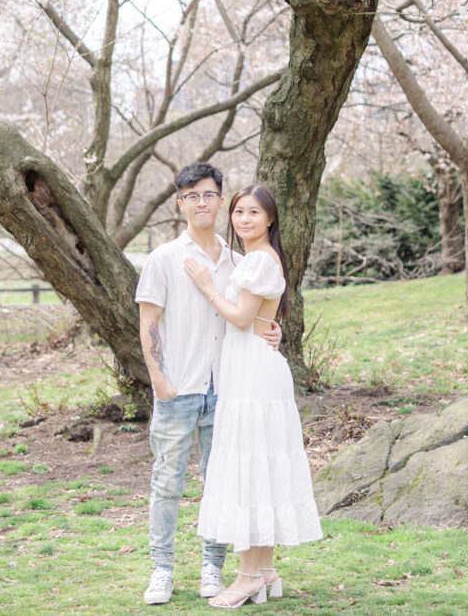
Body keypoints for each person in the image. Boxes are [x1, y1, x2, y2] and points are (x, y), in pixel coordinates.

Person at [135, 164, 281, 605]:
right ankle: (161, 570)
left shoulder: (240, 261)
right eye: (191, 195)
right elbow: (148, 322)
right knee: (167, 482)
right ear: (180, 203)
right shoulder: (164, 258)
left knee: (224, 483)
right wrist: (159, 379)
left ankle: (212, 567)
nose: (202, 202)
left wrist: (275, 332)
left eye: (209, 194)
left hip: (231, 390)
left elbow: (253, 316)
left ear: (221, 201)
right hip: (180, 386)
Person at [184, 184, 323, 609]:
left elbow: (243, 318)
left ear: (270, 220)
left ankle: (246, 576)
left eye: (254, 213)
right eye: (239, 212)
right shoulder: (258, 260)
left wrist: (208, 287)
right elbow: (260, 316)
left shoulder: (259, 261)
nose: (244, 219)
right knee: (257, 464)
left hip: (253, 373)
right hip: (254, 367)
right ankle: (263, 570)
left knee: (248, 466)